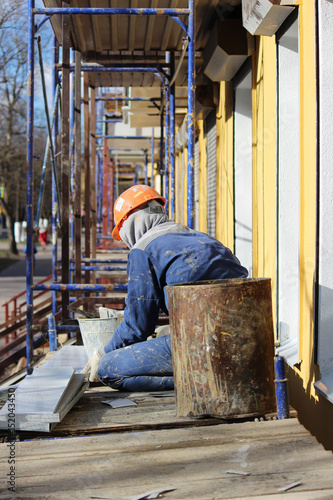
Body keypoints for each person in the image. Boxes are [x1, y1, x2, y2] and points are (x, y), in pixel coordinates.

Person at [82, 184, 248, 391]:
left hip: (200, 347)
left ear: (128, 221)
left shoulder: (143, 249)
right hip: (243, 343)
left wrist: (103, 353)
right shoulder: (204, 239)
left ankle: (197, 382)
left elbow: (138, 327)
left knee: (109, 368)